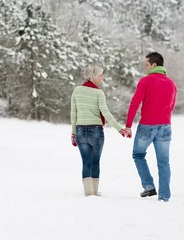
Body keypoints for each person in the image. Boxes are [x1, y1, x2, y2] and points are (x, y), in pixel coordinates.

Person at [122, 52, 177, 202]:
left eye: (146, 64)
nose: (144, 67)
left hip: (147, 125)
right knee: (164, 161)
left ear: (154, 65)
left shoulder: (145, 81)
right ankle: (164, 196)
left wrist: (128, 125)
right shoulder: (171, 83)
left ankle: (149, 186)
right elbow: (171, 105)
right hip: (165, 126)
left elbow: (134, 103)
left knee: (138, 154)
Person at [71, 65, 126, 196]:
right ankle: (94, 191)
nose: (103, 77)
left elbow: (74, 113)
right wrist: (119, 128)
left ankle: (89, 192)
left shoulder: (77, 91)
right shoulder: (98, 93)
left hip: (80, 130)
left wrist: (73, 133)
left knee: (86, 162)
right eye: (100, 75)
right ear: (93, 76)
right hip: (96, 130)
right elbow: (105, 112)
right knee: (95, 161)